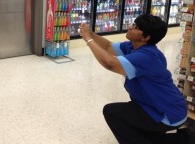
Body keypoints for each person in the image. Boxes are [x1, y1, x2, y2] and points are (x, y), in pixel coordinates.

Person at [79, 14, 194, 144]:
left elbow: (109, 63)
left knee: (112, 112)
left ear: (146, 37)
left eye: (136, 27)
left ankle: (184, 138)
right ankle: (183, 138)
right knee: (139, 125)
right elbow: (107, 46)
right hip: (162, 106)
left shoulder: (147, 57)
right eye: (134, 24)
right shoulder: (132, 46)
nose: (131, 27)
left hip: (167, 114)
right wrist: (91, 34)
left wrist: (89, 39)